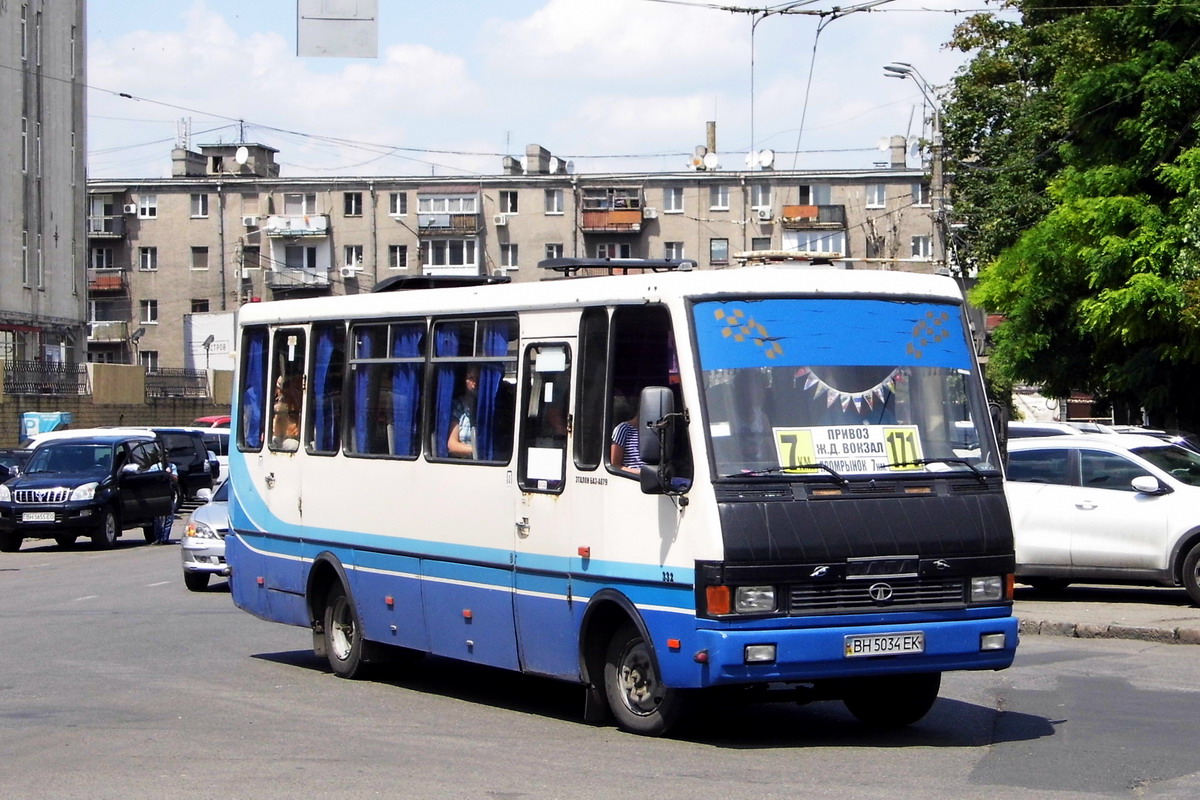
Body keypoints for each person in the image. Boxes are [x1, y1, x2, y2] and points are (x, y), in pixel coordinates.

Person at [448, 365, 479, 458]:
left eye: (478, 378)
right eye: (471, 378)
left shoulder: (487, 408)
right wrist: (476, 450)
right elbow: (452, 445)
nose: (475, 383)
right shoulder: (458, 406)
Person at [611, 402, 643, 474]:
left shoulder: (655, 430)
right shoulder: (624, 429)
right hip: (631, 479)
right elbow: (614, 465)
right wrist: (640, 473)